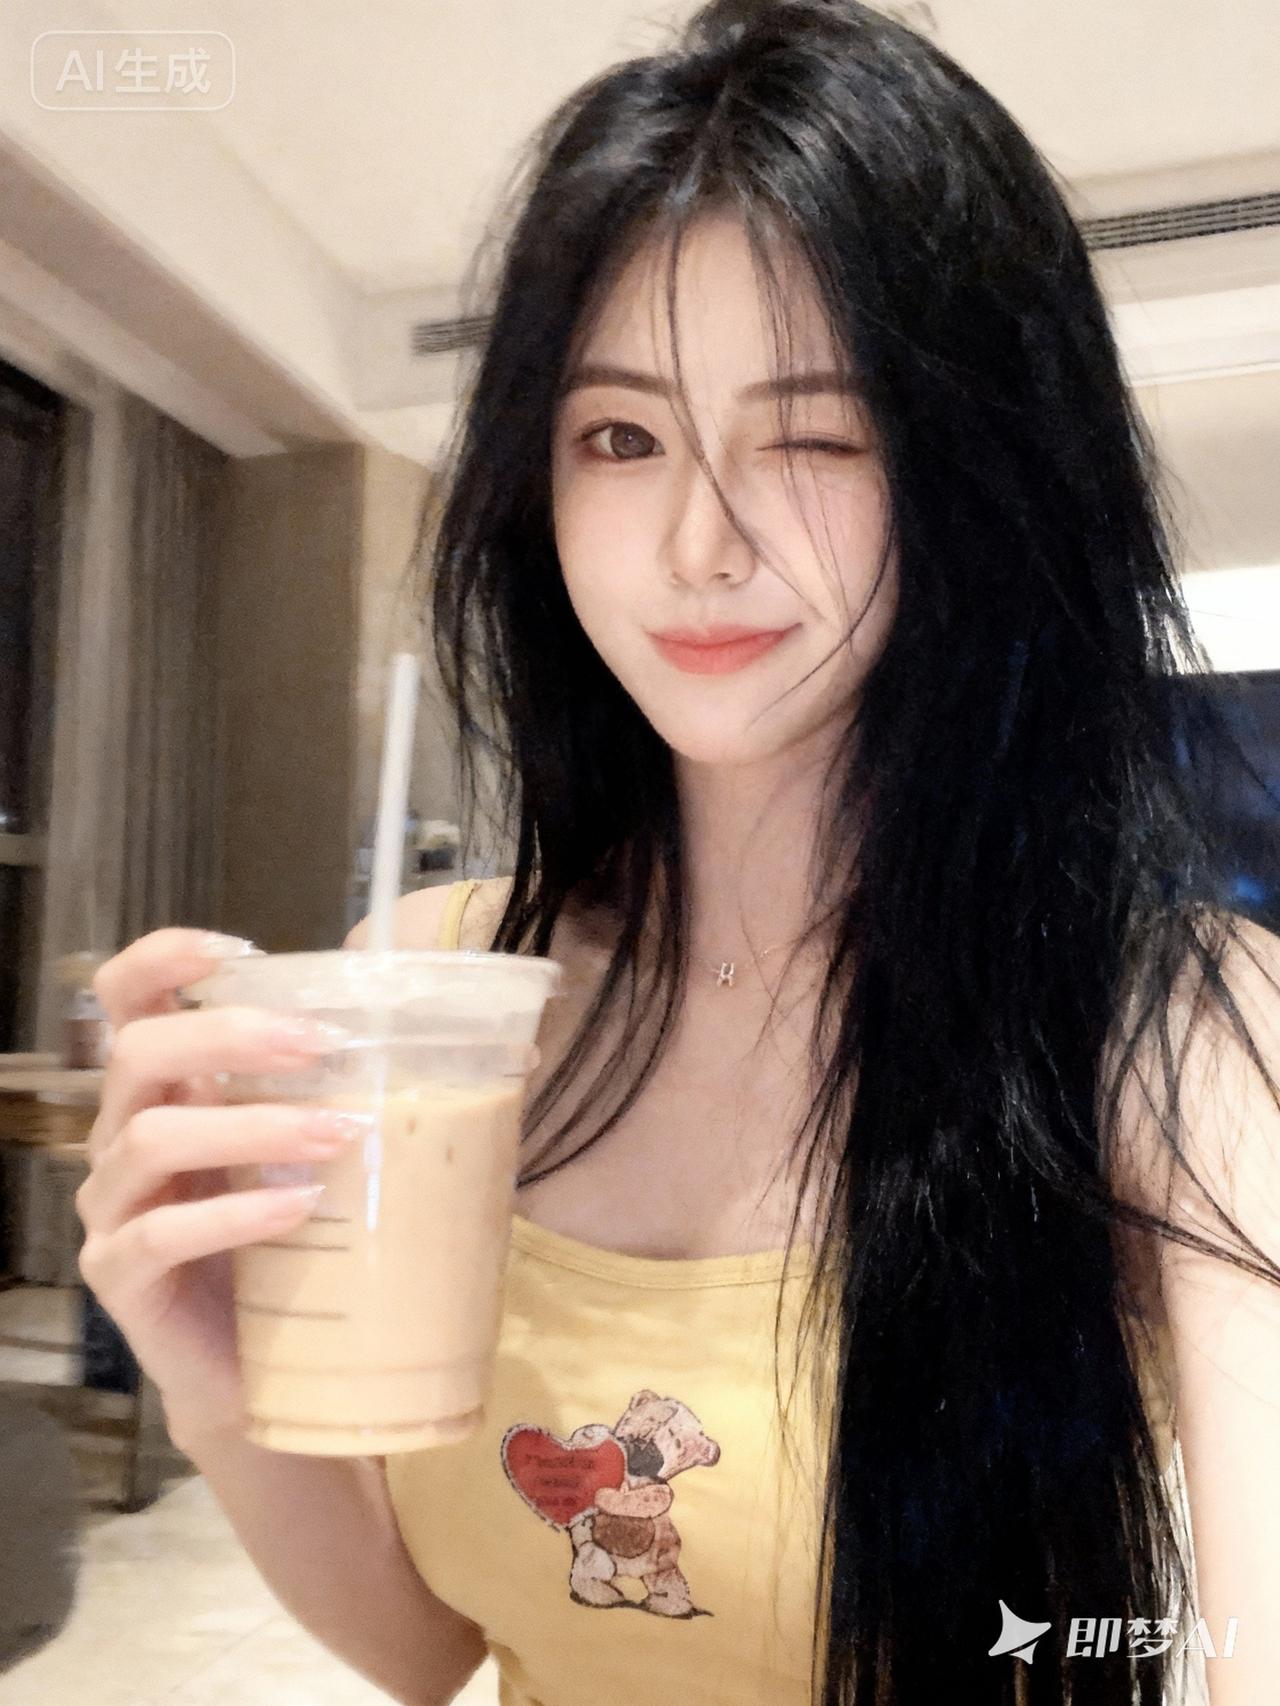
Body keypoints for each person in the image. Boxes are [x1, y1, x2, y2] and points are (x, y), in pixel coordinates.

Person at [75, 2, 1280, 1703]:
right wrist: (210, 1368)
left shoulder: (1180, 1034)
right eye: (622, 438)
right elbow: (426, 1644)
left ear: (982, 475)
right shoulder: (438, 991)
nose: (699, 543)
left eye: (817, 433)